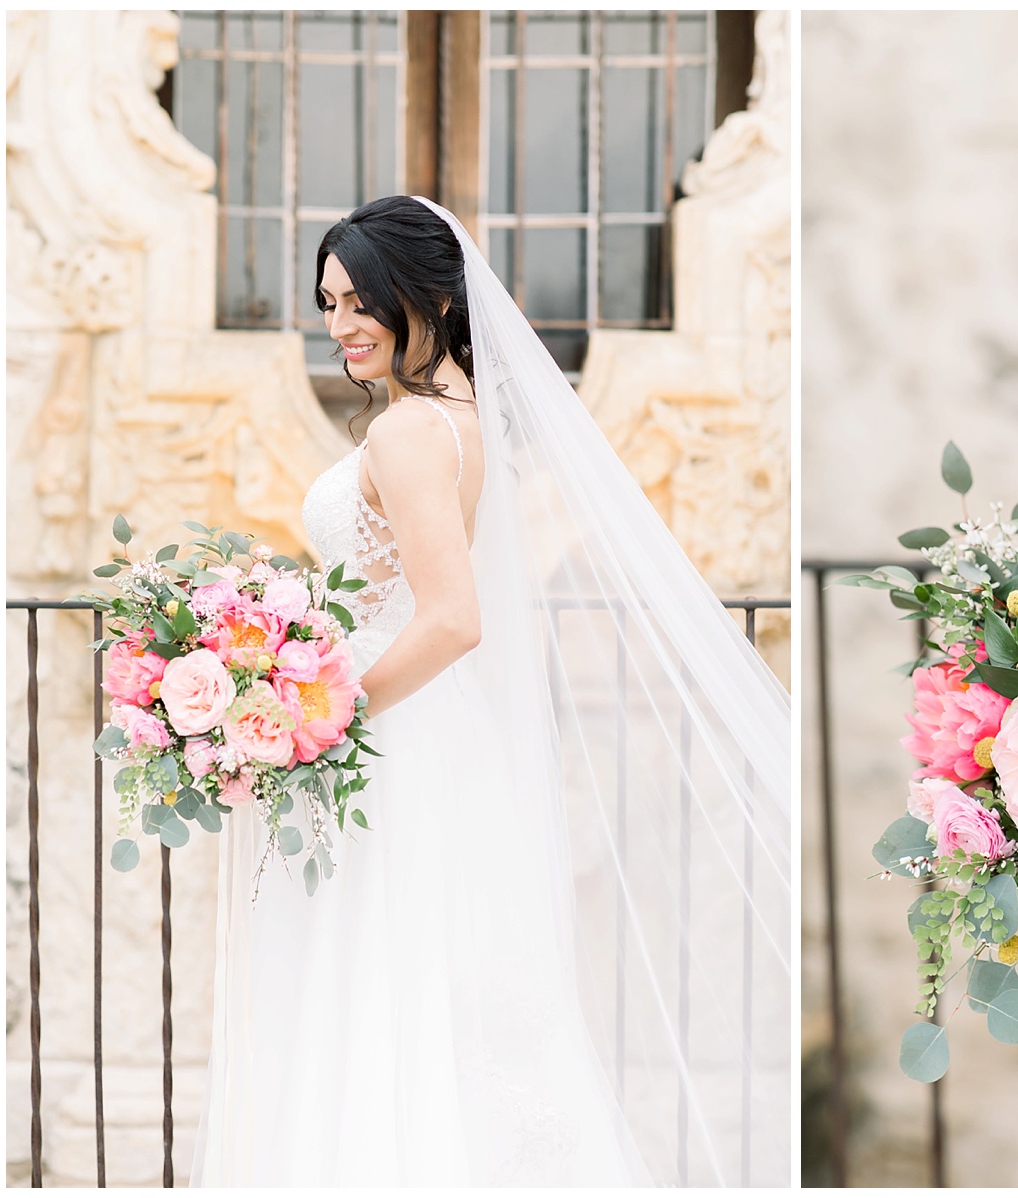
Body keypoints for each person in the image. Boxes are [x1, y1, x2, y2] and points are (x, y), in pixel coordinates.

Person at [190, 196, 792, 1185]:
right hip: (429, 739)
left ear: (421, 295)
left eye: (358, 303)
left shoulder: (408, 431)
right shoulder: (463, 411)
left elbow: (452, 617)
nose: (339, 327)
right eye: (328, 303)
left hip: (387, 745)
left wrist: (316, 722)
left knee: (376, 998)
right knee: (426, 1002)